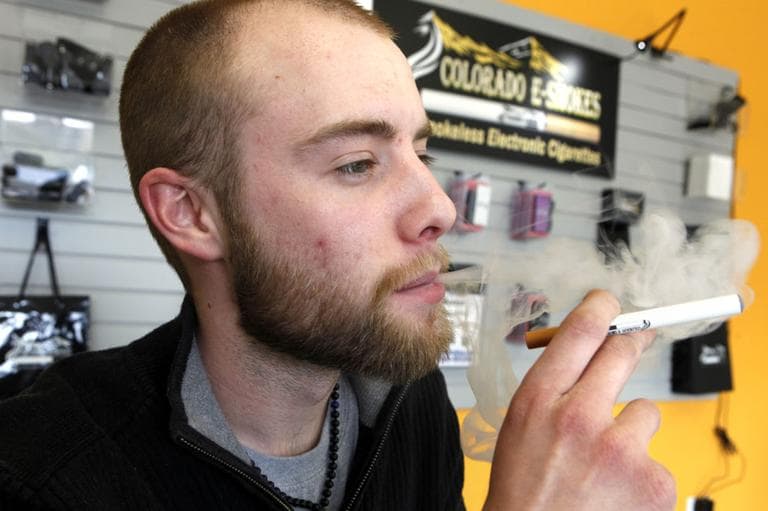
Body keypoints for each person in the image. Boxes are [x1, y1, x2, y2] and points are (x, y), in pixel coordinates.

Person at [0, 1, 675, 510]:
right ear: (191, 213)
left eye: (423, 152)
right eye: (357, 163)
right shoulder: (44, 475)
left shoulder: (413, 401)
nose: (441, 206)